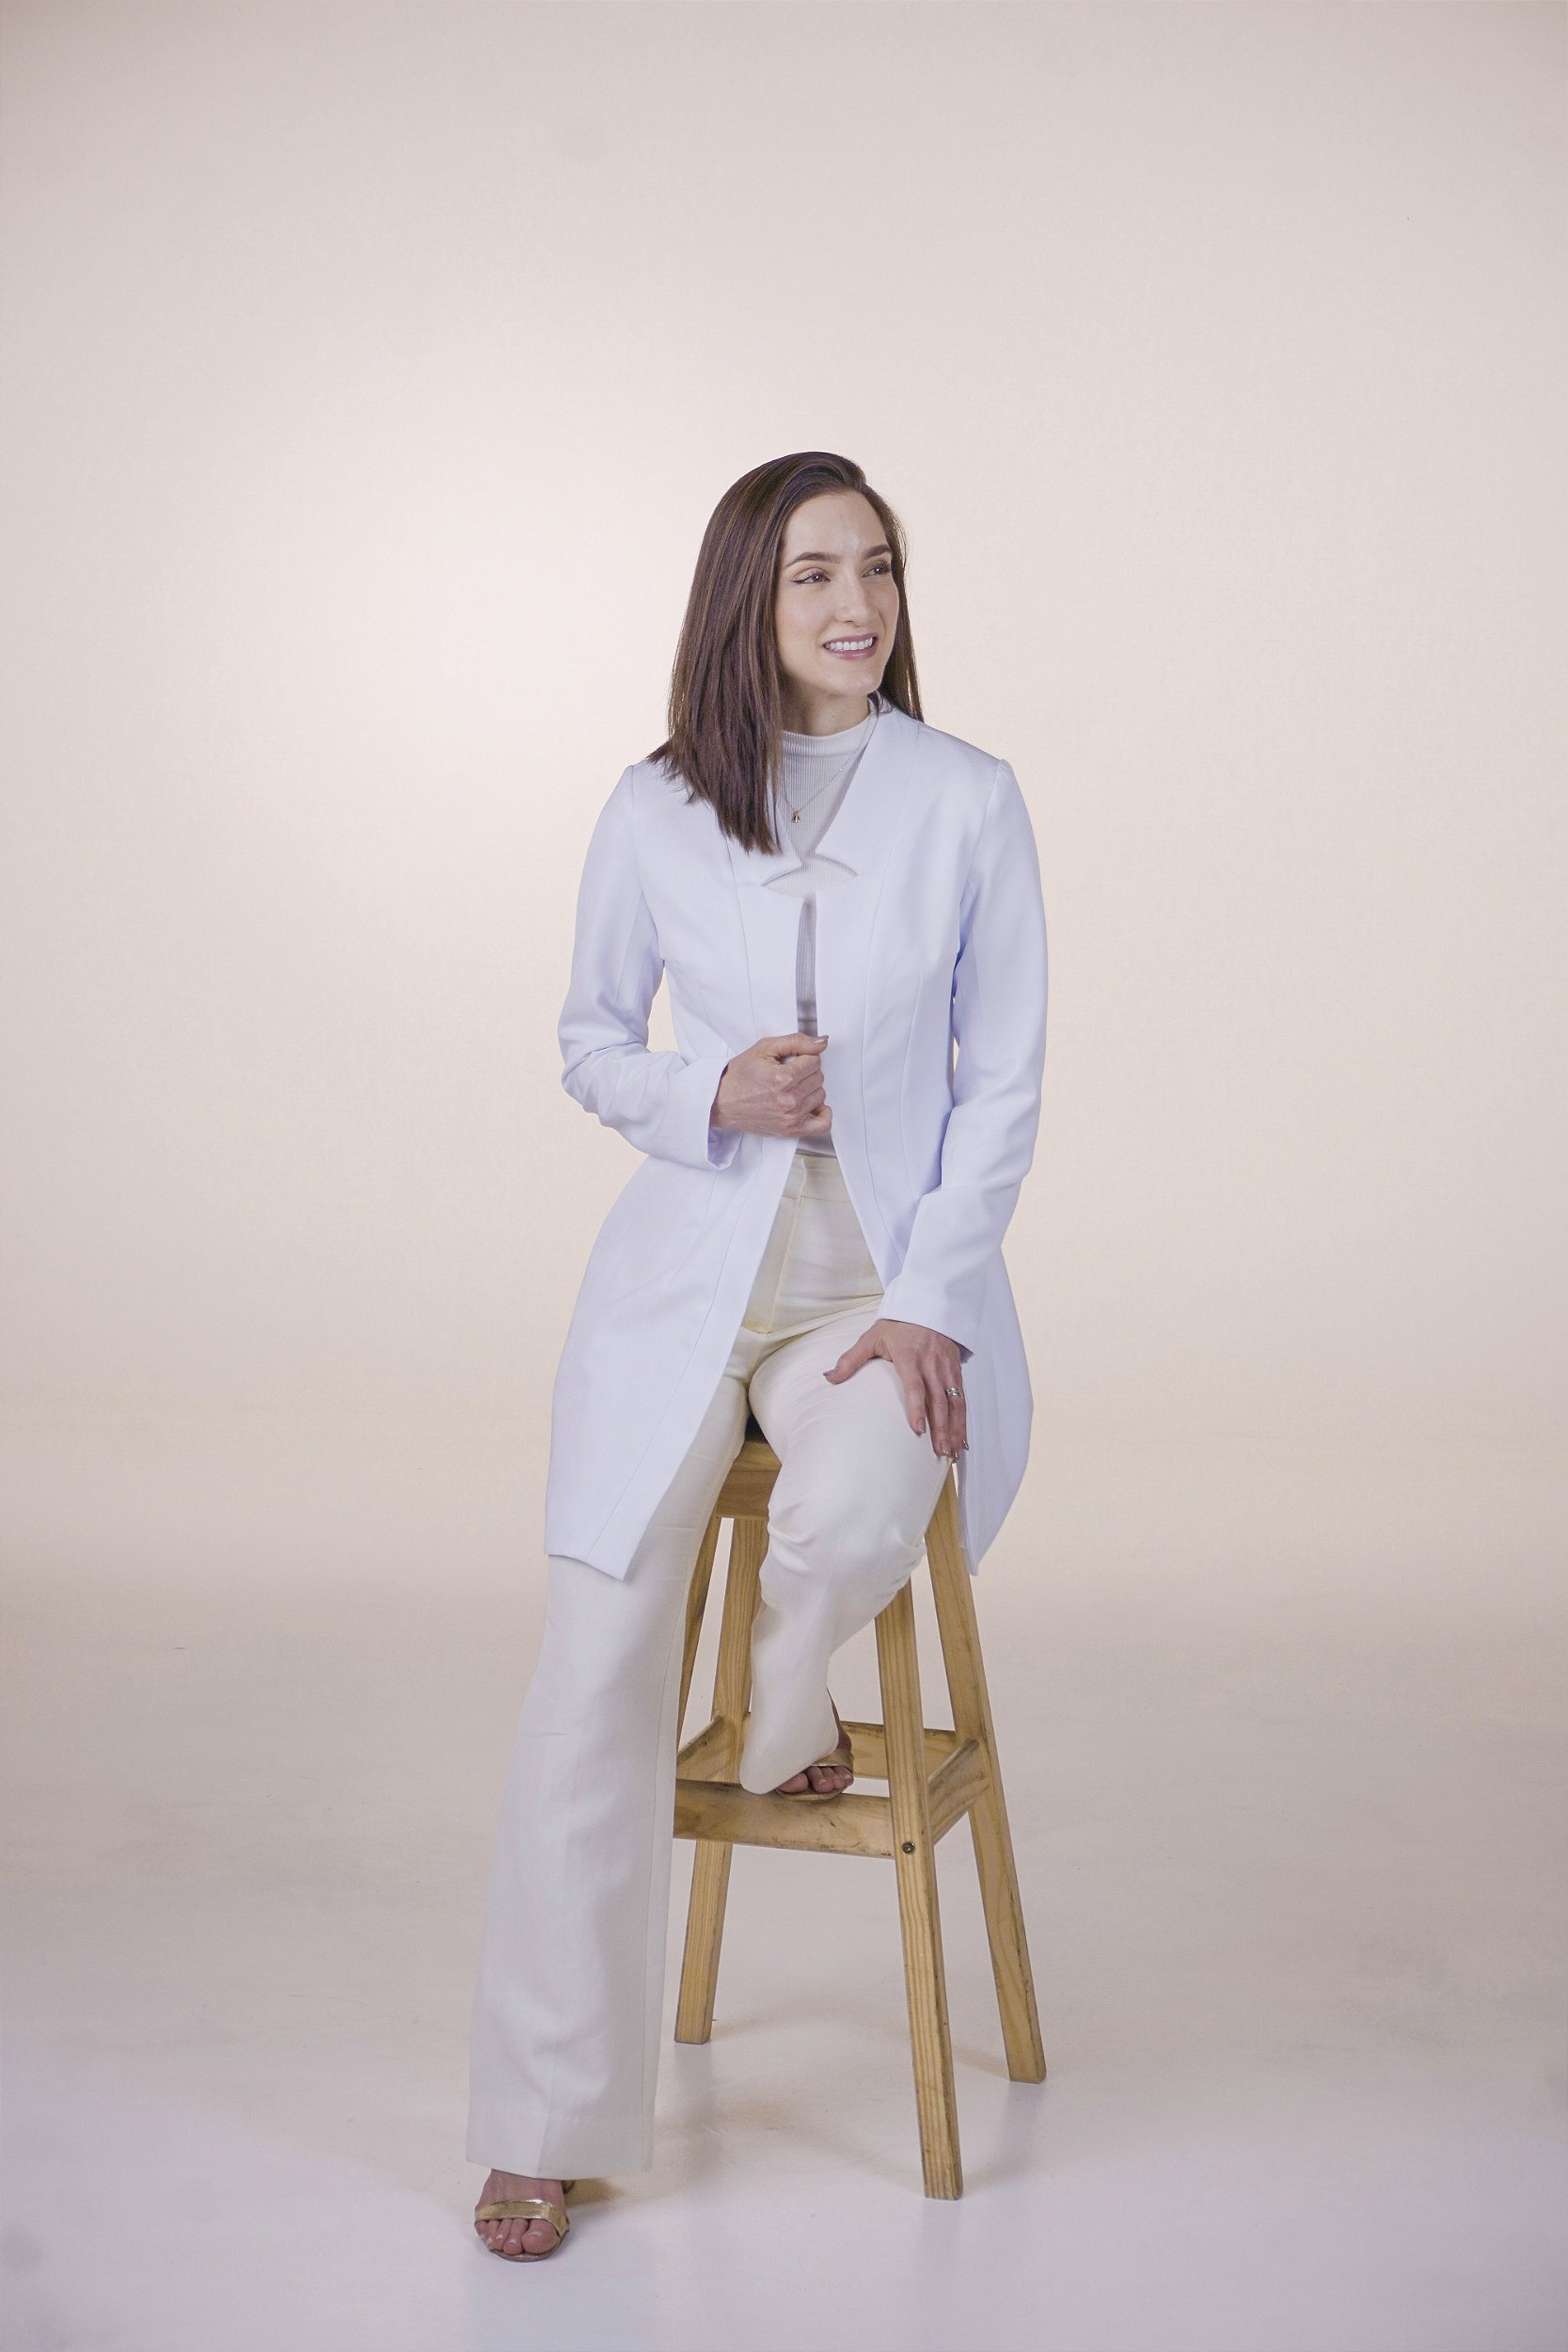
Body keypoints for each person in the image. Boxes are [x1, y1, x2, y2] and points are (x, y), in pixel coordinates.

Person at [469, 451, 1049, 2260]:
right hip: (680, 1290)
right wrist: (704, 1094)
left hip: (877, 1286)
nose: (856, 605)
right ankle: (544, 2123)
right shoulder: (655, 806)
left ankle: (790, 1714)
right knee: (593, 1674)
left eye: (877, 568)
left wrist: (935, 1297)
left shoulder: (967, 799)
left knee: (860, 1501)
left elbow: (1005, 1084)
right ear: (749, 597)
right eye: (814, 574)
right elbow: (587, 1039)